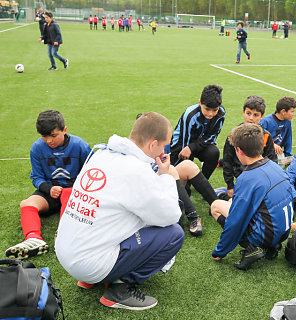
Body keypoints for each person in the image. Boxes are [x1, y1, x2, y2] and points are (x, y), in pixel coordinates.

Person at [55, 112, 185, 310]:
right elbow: (171, 215)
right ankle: (119, 288)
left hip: (66, 253)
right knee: (174, 234)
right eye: (164, 145)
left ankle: (94, 278)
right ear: (152, 144)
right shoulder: (136, 171)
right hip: (90, 264)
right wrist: (166, 176)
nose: (164, 150)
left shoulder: (101, 153)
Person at [5, 110, 91, 260]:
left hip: (74, 194)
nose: (49, 141)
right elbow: (37, 177)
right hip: (50, 192)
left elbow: (90, 174)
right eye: (44, 136)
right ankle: (33, 239)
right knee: (26, 204)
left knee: (69, 193)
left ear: (64, 130)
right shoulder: (37, 148)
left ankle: (63, 236)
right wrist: (48, 189)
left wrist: (76, 189)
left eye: (53, 135)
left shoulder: (80, 146)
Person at [211, 123, 294, 270]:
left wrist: (220, 251)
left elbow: (235, 221)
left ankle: (251, 248)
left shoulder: (246, 178)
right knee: (233, 202)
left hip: (266, 236)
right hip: (283, 234)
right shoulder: (276, 167)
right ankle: (272, 246)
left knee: (216, 206)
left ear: (239, 151)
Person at [222, 95, 277, 198]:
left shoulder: (265, 136)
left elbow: (272, 160)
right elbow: (227, 160)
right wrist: (230, 185)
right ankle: (221, 194)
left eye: (256, 115)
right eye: (248, 113)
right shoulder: (234, 135)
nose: (251, 118)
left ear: (262, 116)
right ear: (243, 112)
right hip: (241, 177)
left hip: (260, 178)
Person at [170, 84, 225, 180]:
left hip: (197, 145)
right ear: (200, 103)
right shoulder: (191, 115)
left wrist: (192, 147)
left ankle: (201, 180)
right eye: (207, 109)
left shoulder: (221, 114)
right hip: (181, 145)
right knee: (176, 179)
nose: (210, 114)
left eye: (215, 110)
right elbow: (183, 143)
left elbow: (211, 137)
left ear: (219, 107)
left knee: (214, 152)